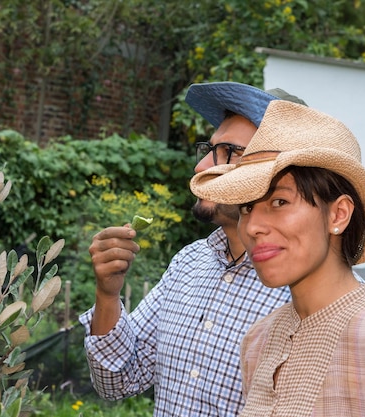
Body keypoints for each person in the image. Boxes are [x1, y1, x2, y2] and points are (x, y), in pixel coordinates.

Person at [189, 99, 365, 417]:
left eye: (279, 201)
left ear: (338, 214)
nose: (253, 227)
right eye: (246, 208)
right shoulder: (259, 339)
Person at [79, 82, 307, 416]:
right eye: (209, 149)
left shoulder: (311, 293)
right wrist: (107, 295)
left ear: (281, 175)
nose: (201, 167)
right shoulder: (190, 263)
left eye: (228, 153)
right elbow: (118, 380)